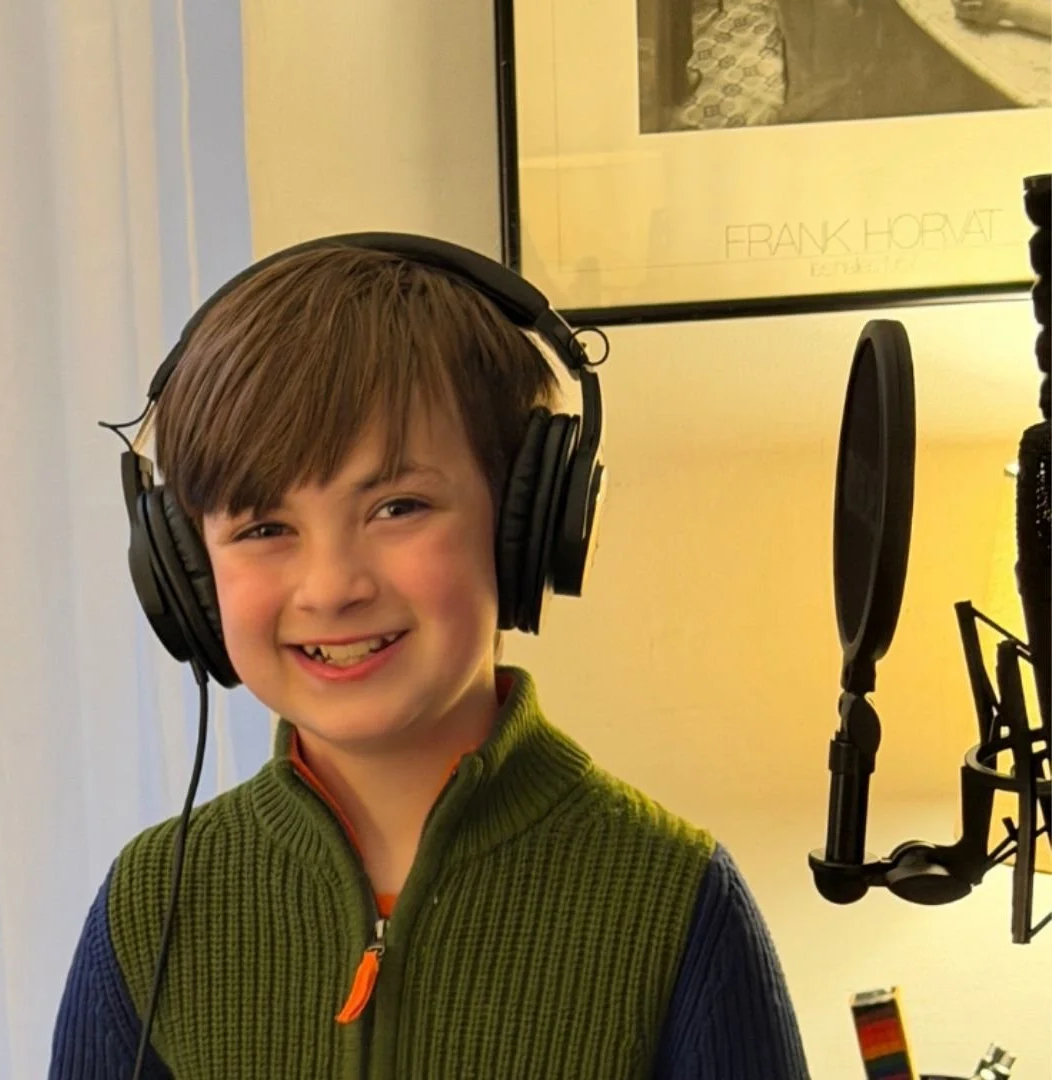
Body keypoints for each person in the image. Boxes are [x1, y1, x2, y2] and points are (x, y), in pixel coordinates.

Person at [48, 236, 811, 1079]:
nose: (332, 587)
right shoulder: (152, 904)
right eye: (264, 529)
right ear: (185, 571)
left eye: (398, 506)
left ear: (527, 523)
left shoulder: (674, 899)